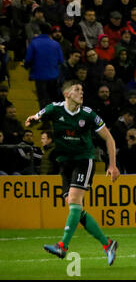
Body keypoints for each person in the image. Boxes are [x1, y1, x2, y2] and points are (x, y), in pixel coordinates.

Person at [25, 80, 120, 266]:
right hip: (65, 164)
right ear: (67, 94)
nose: (81, 93)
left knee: (75, 202)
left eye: (82, 90)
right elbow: (36, 116)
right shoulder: (54, 109)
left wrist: (113, 165)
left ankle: (62, 246)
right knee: (75, 208)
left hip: (84, 161)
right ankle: (108, 244)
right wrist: (32, 120)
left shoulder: (89, 114)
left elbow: (109, 138)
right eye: (77, 90)